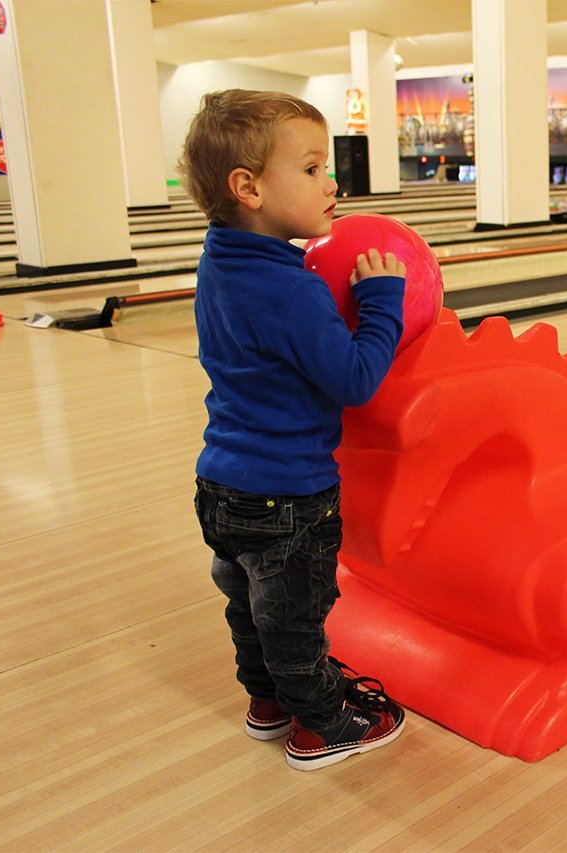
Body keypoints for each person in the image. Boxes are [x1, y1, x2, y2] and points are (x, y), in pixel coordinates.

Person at [179, 89, 406, 771]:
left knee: (250, 609)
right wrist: (381, 303)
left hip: (221, 485)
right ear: (248, 187)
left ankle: (268, 703)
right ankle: (325, 725)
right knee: (295, 619)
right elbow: (357, 377)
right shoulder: (293, 289)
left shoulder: (219, 258)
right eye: (311, 169)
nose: (331, 182)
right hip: (290, 497)